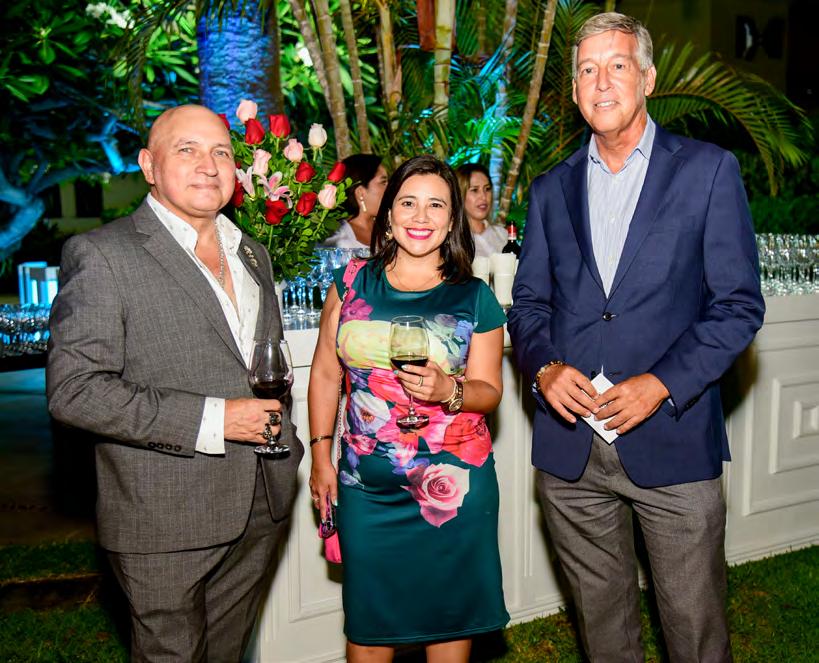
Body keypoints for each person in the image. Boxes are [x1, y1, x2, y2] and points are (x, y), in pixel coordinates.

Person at [507, 12, 764, 663]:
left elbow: (737, 305)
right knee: (603, 633)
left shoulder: (707, 171)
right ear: (573, 90)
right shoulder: (549, 190)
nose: (601, 82)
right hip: (571, 450)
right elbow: (529, 304)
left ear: (646, 78)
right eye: (586, 70)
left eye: (617, 65)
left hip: (671, 441)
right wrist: (543, 368)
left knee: (694, 631)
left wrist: (661, 383)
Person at [47, 104, 303, 662]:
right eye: (187, 150)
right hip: (165, 513)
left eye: (221, 152)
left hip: (260, 502)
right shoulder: (103, 254)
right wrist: (216, 419)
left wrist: (287, 443)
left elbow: (264, 367)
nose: (209, 165)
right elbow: (76, 390)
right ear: (148, 165)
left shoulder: (252, 253)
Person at [308, 155, 509, 662]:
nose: (421, 217)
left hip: (452, 487)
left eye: (435, 205)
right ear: (389, 213)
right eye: (408, 203)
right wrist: (320, 457)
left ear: (451, 217)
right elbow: (326, 374)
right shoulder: (351, 282)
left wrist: (448, 390)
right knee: (368, 633)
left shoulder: (474, 297)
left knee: (448, 625)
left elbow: (490, 391)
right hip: (366, 488)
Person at [322, 153, 388, 251]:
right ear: (360, 192)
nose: (390, 188)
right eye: (383, 182)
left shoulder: (389, 229)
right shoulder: (337, 239)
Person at [455, 163, 507, 258]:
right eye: (475, 190)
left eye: (487, 189)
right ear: (460, 195)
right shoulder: (453, 241)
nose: (483, 196)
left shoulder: (502, 235)